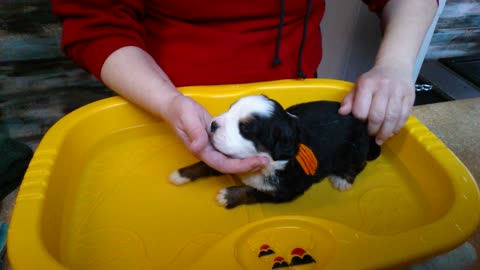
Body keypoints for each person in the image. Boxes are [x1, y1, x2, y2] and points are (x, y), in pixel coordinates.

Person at [51, 0, 438, 174]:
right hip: (168, 109)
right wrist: (169, 102)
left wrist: (395, 64)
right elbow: (97, 22)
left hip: (292, 103)